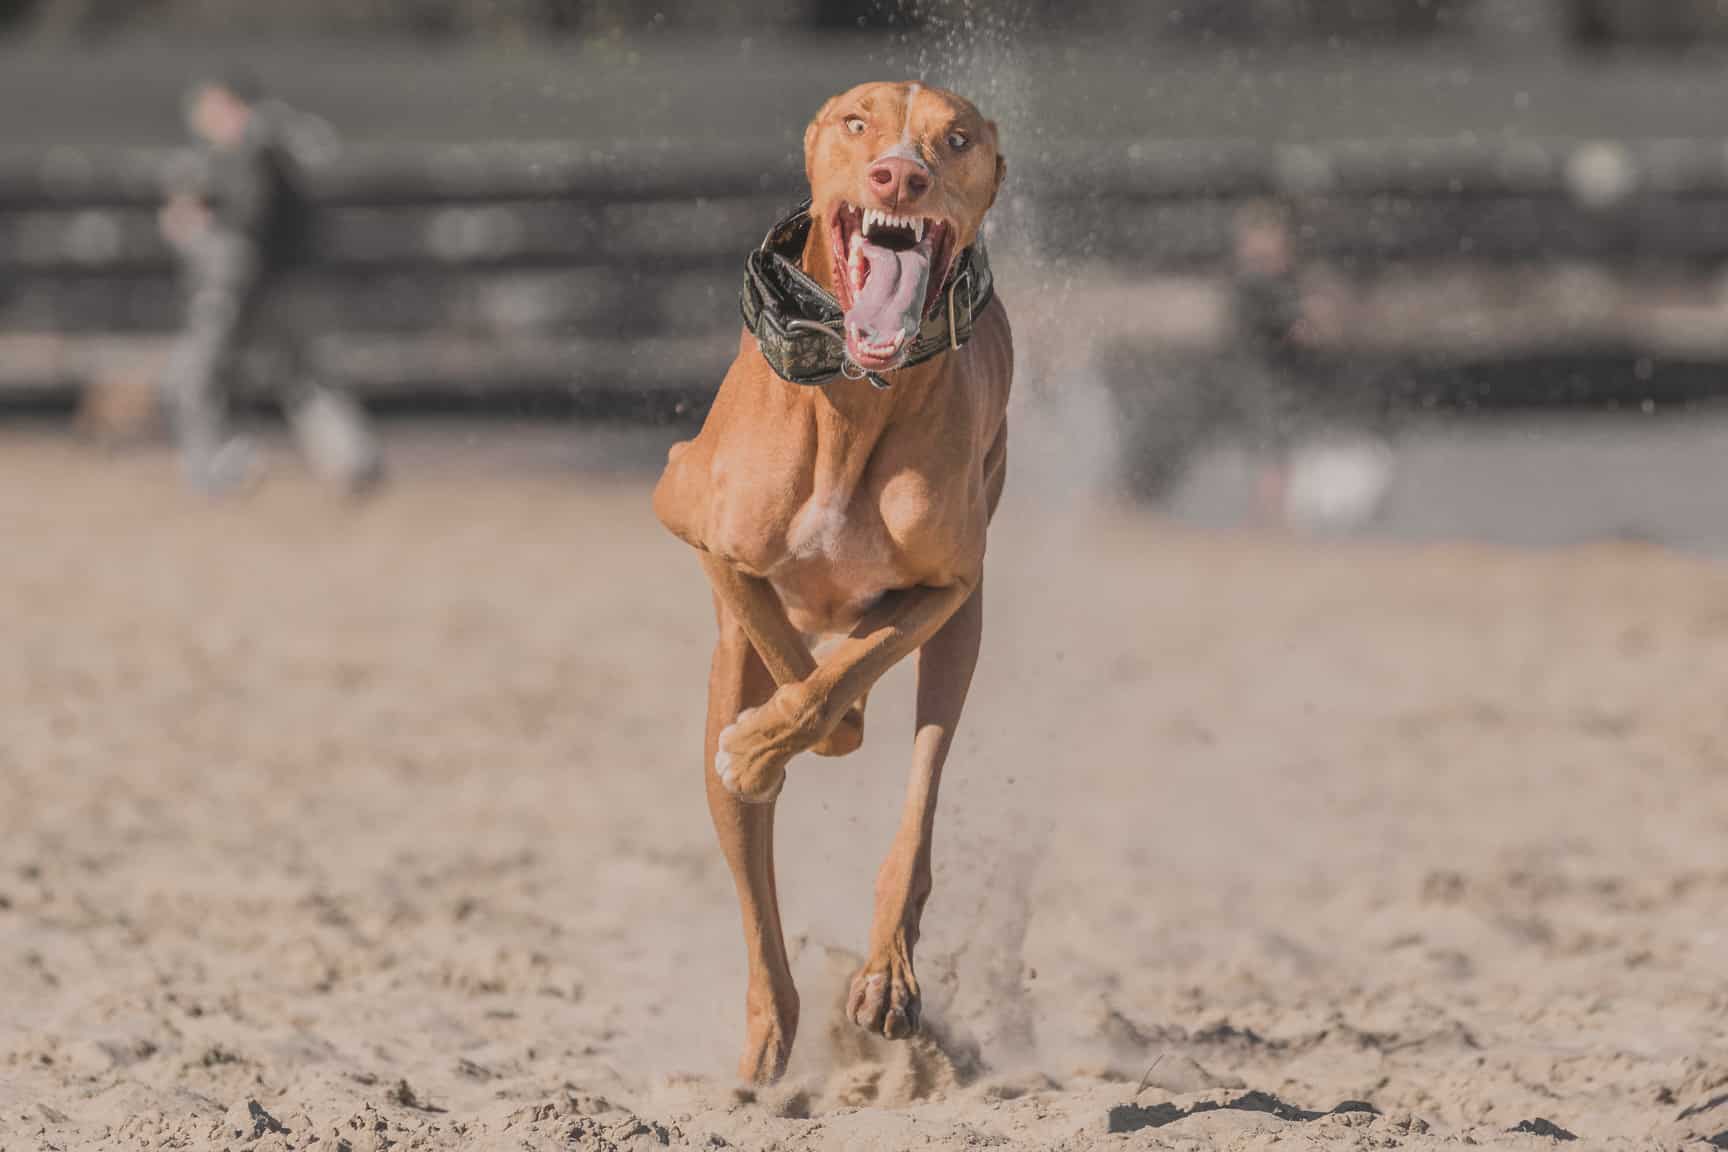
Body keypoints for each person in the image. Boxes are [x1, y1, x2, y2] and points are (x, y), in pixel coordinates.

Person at [159, 74, 381, 495]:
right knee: (303, 376)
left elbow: (236, 221)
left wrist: (200, 226)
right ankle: (352, 460)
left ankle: (223, 469)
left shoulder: (254, 150)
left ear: (231, 107)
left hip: (251, 283)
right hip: (285, 281)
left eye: (209, 110)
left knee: (198, 380)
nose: (202, 121)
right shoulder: (274, 145)